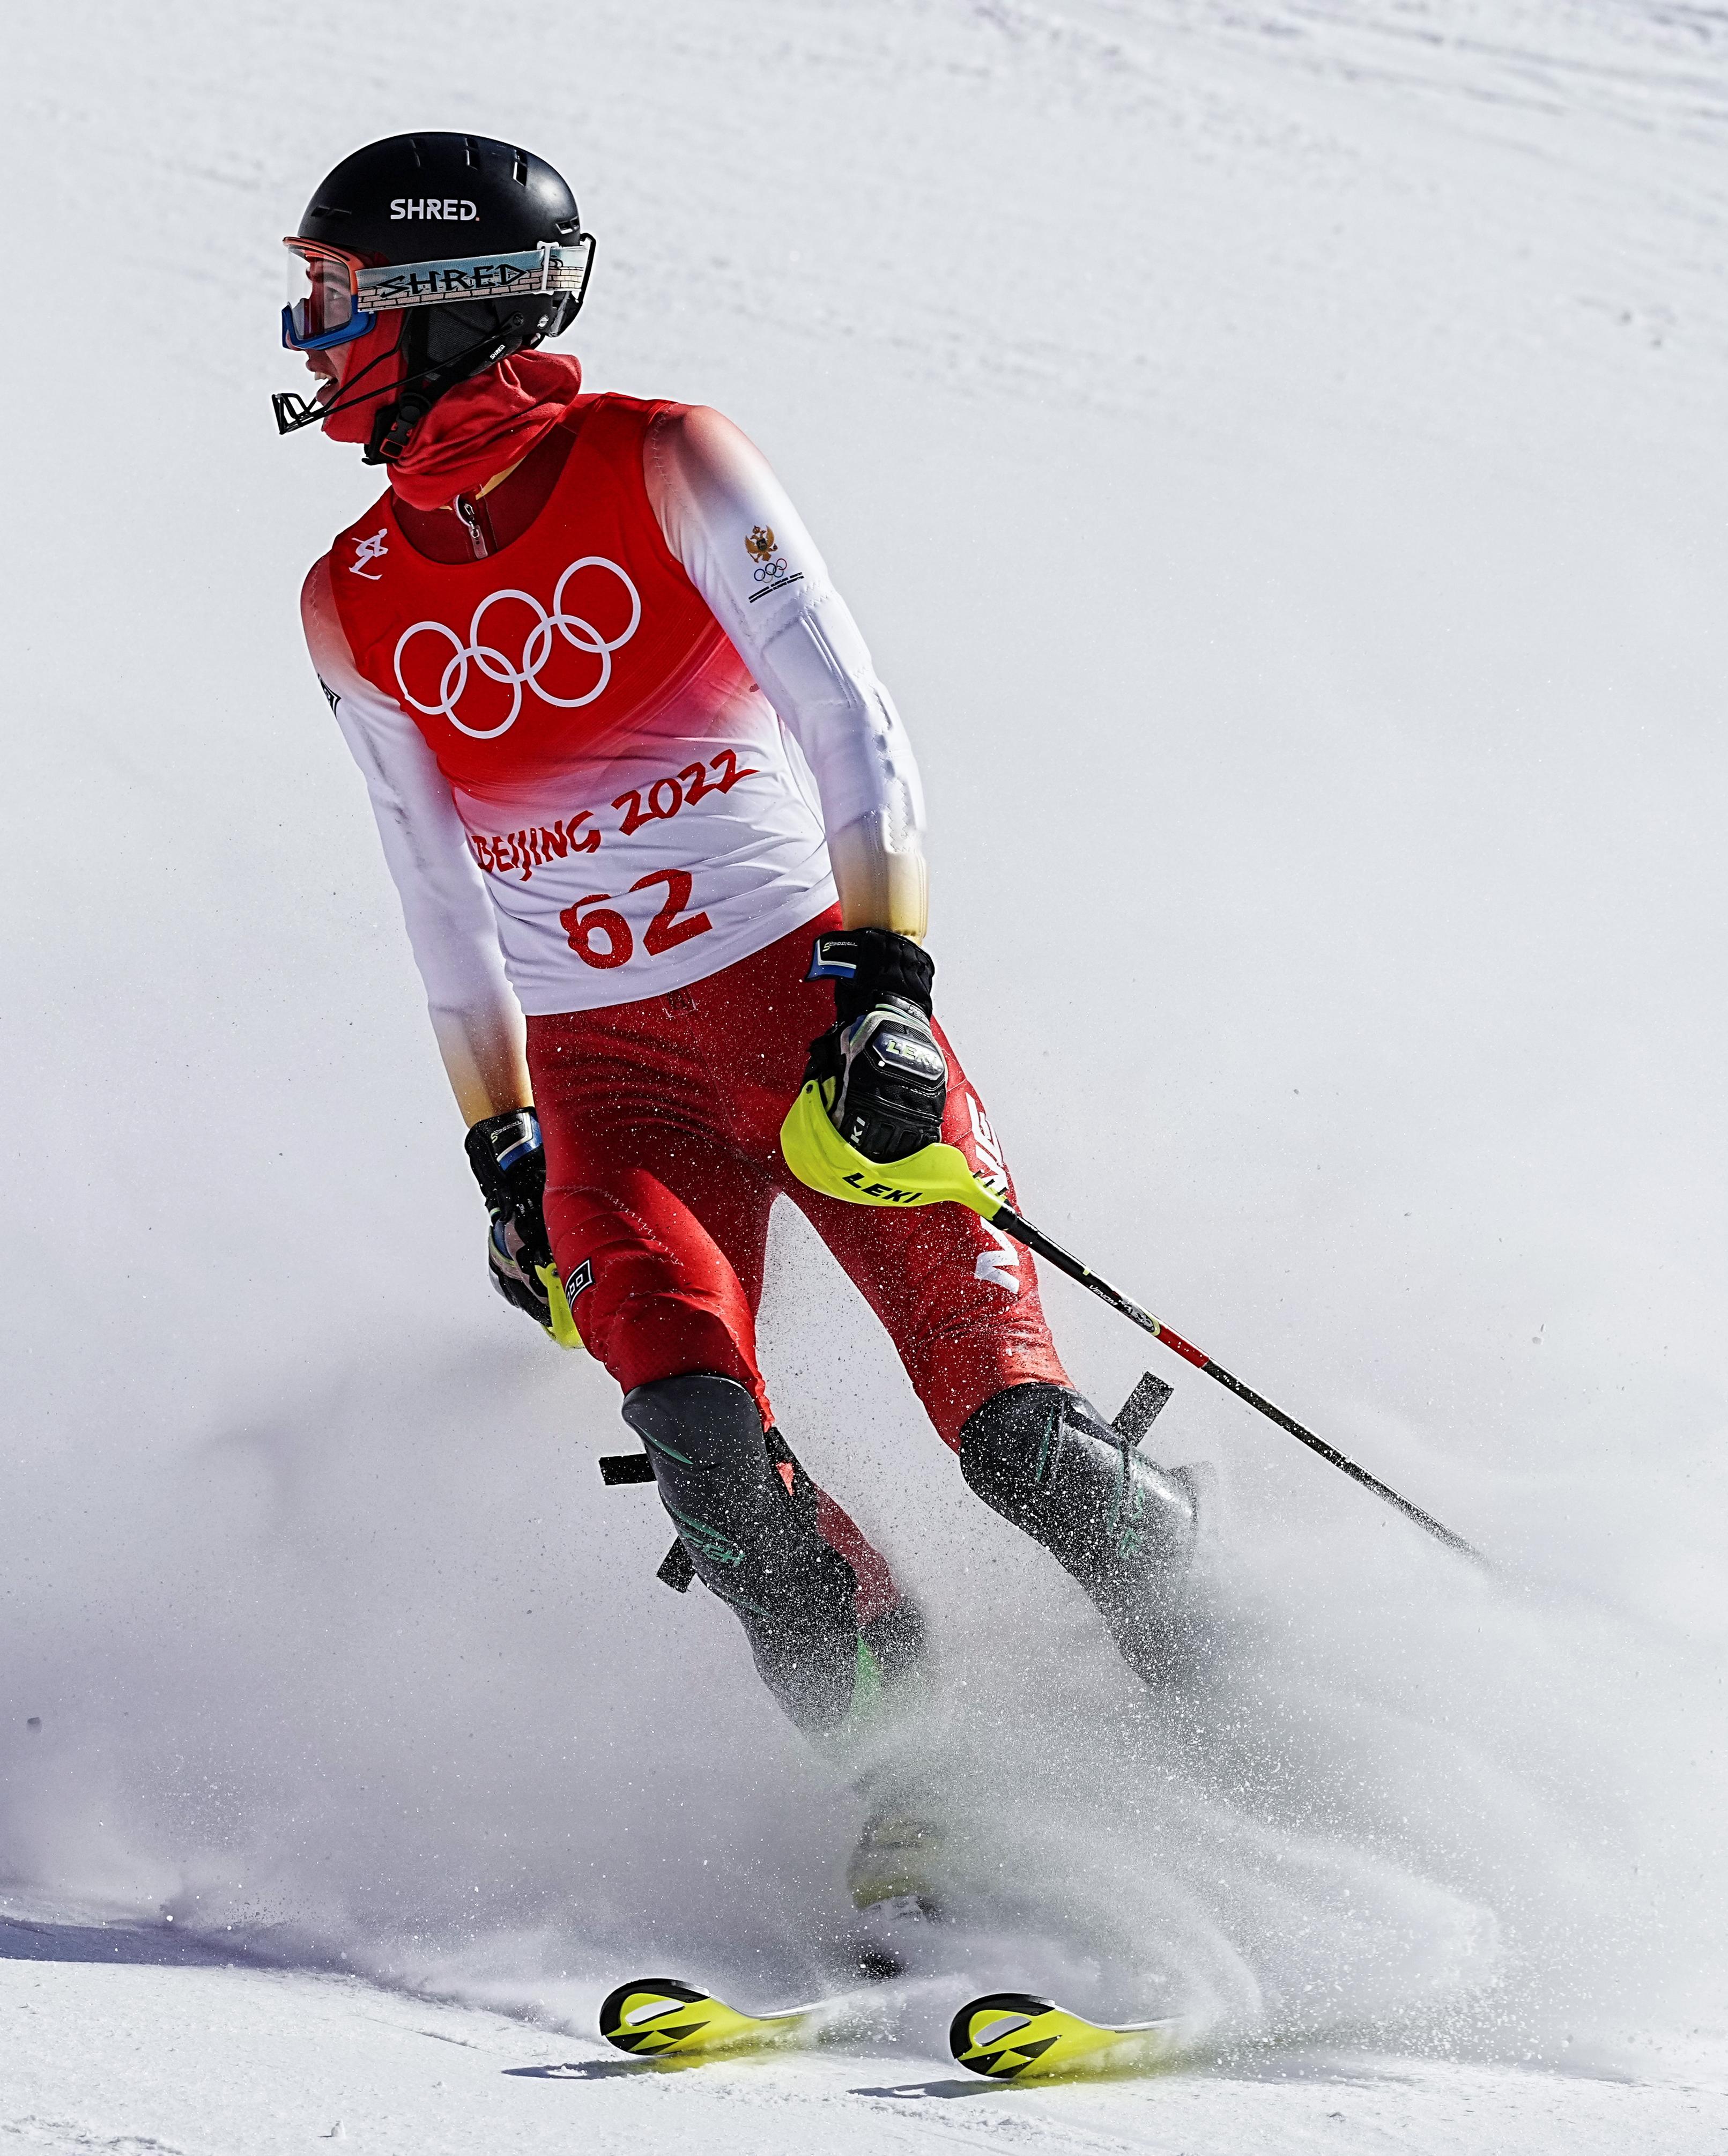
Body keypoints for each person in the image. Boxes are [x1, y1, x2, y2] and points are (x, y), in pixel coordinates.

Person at [283, 131, 1201, 1908]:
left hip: (807, 1012)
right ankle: (925, 1790)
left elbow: (853, 720)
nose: (306, 335)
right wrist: (500, 1145)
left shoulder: (662, 458)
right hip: (604, 1078)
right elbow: (432, 888)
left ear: (429, 299)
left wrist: (889, 989)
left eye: (329, 296)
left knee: (1015, 1438)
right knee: (713, 1465)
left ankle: (1244, 1688)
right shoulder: (352, 596)